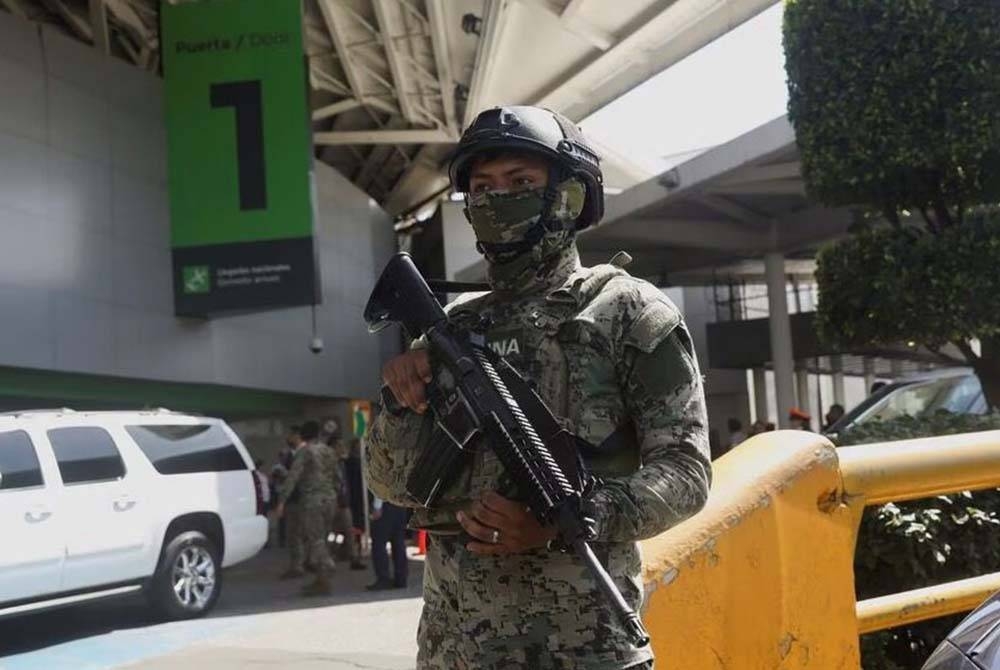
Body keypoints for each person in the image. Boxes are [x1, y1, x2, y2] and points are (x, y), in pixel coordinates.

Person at [365, 105, 712, 670]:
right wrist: (401, 401)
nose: (498, 198)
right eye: (483, 187)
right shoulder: (452, 328)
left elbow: (686, 472)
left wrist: (574, 516)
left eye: (521, 182)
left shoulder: (624, 311)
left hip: (584, 647)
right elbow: (389, 482)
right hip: (455, 650)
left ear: (569, 197)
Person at [276, 420, 342, 596]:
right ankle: (322, 582)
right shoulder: (329, 451)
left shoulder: (305, 452)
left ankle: (328, 564)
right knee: (322, 538)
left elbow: (293, 477)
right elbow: (338, 477)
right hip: (330, 499)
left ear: (303, 435)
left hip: (312, 501)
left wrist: (281, 501)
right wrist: (334, 494)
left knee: (315, 539)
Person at [366, 494, 409, 591]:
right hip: (400, 504)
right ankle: (401, 578)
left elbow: (381, 488)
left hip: (386, 505)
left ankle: (383, 578)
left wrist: (377, 506)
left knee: (379, 543)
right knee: (398, 542)